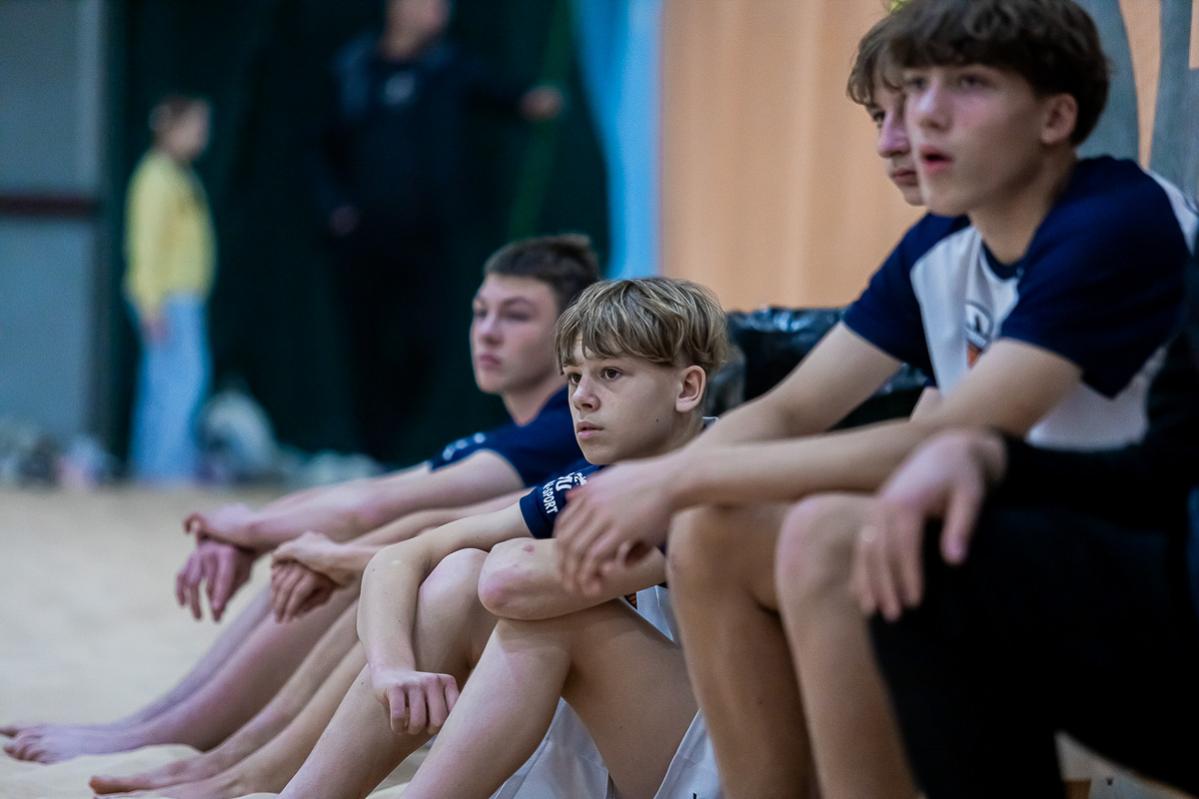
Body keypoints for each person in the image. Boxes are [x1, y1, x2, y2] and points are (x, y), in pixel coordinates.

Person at [552, 2, 1197, 797]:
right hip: (1025, 535)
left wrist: (672, 476)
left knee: (823, 535)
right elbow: (788, 409)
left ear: (1055, 118)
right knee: (711, 531)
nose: (921, 117)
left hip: (1150, 564)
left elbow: (955, 437)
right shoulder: (942, 241)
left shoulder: (1115, 221)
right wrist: (663, 491)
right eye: (911, 90)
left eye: (966, 83)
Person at [3, 234, 597, 766]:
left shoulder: (558, 431)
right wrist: (255, 529)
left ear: (567, 335)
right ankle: (162, 726)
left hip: (535, 659)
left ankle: (200, 741)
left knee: (357, 557)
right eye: (480, 312)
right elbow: (376, 492)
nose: (487, 331)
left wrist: (252, 531)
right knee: (337, 550)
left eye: (515, 316)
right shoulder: (532, 428)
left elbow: (383, 507)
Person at [275, 277, 727, 799]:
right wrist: (390, 669)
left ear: (687, 388)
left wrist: (518, 551)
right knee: (458, 576)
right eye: (573, 376)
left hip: (729, 765)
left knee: (548, 610)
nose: (581, 398)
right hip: (650, 741)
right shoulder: (605, 477)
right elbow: (404, 555)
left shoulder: (714, 480)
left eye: (610, 373)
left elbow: (509, 583)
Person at [865, 228, 1199, 798]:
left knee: (832, 541)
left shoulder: (1112, 230)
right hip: (1172, 589)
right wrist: (990, 456)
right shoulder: (935, 257)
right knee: (922, 556)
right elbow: (1164, 468)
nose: (900, 152)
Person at [314, 0, 563, 463]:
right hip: (364, 242)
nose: (439, 13)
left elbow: (499, 94)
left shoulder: (451, 67)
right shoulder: (353, 69)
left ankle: (397, 451)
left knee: (421, 341)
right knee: (365, 345)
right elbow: (321, 144)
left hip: (428, 241)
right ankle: (369, 452)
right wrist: (336, 209)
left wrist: (530, 102)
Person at [125, 94, 215, 483]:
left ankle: (161, 466)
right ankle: (164, 470)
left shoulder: (180, 176)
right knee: (178, 384)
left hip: (183, 297)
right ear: (171, 130)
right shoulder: (155, 177)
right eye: (195, 128)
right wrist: (150, 303)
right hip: (167, 298)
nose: (201, 137)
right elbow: (144, 244)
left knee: (172, 383)